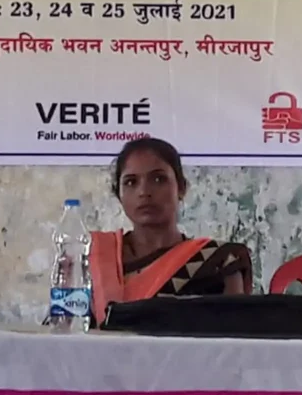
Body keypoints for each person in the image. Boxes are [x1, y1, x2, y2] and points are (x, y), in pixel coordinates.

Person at [89, 137, 253, 322]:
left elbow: (235, 333)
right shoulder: (92, 257)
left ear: (181, 188)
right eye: (130, 182)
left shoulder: (218, 261)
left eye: (158, 179)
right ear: (118, 194)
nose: (144, 192)